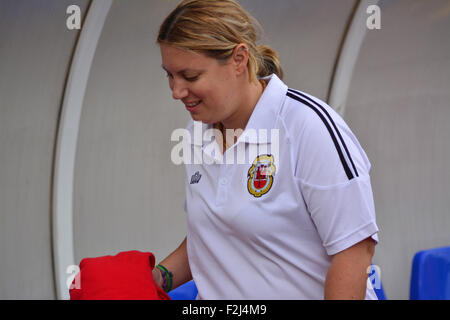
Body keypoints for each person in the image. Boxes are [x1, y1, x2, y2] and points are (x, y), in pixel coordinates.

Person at [152, 0, 379, 300]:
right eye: (169, 75)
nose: (176, 91)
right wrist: (149, 281)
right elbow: (209, 237)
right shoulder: (196, 133)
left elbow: (354, 249)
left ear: (239, 58)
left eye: (190, 77)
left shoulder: (307, 126)